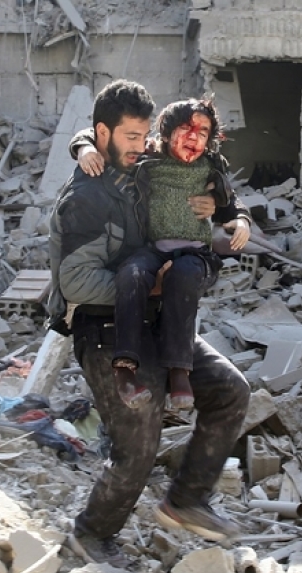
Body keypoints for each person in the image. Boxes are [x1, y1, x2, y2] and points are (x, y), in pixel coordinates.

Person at [47, 80, 252, 568]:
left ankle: (187, 499)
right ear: (104, 134)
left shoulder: (140, 170)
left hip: (157, 321)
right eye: (132, 139)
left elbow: (212, 183)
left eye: (144, 137)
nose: (143, 148)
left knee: (230, 390)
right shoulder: (85, 199)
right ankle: (89, 535)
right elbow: (75, 283)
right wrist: (154, 287)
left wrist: (227, 214)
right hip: (105, 331)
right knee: (138, 442)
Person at [74, 97, 251, 411]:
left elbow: (230, 205)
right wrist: (85, 149)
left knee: (182, 278)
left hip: (196, 255)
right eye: (186, 129)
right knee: (131, 274)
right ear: (166, 133)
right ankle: (125, 368)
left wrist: (241, 221)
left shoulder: (212, 165)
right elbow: (98, 136)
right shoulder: (147, 156)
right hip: (152, 249)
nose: (194, 137)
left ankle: (179, 370)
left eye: (203, 131)